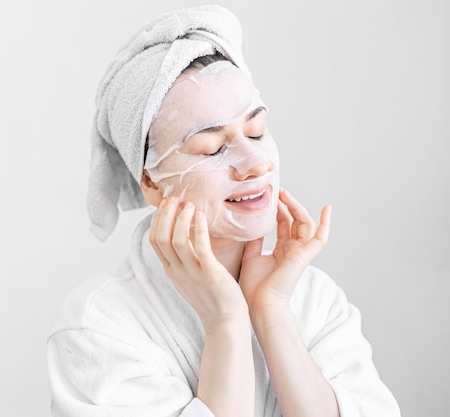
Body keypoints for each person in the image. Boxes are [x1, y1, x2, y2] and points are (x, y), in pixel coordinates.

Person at [46, 5, 400, 417]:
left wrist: (271, 314)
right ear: (151, 182)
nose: (257, 163)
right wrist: (226, 322)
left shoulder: (314, 299)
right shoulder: (99, 325)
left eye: (257, 131)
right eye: (213, 148)